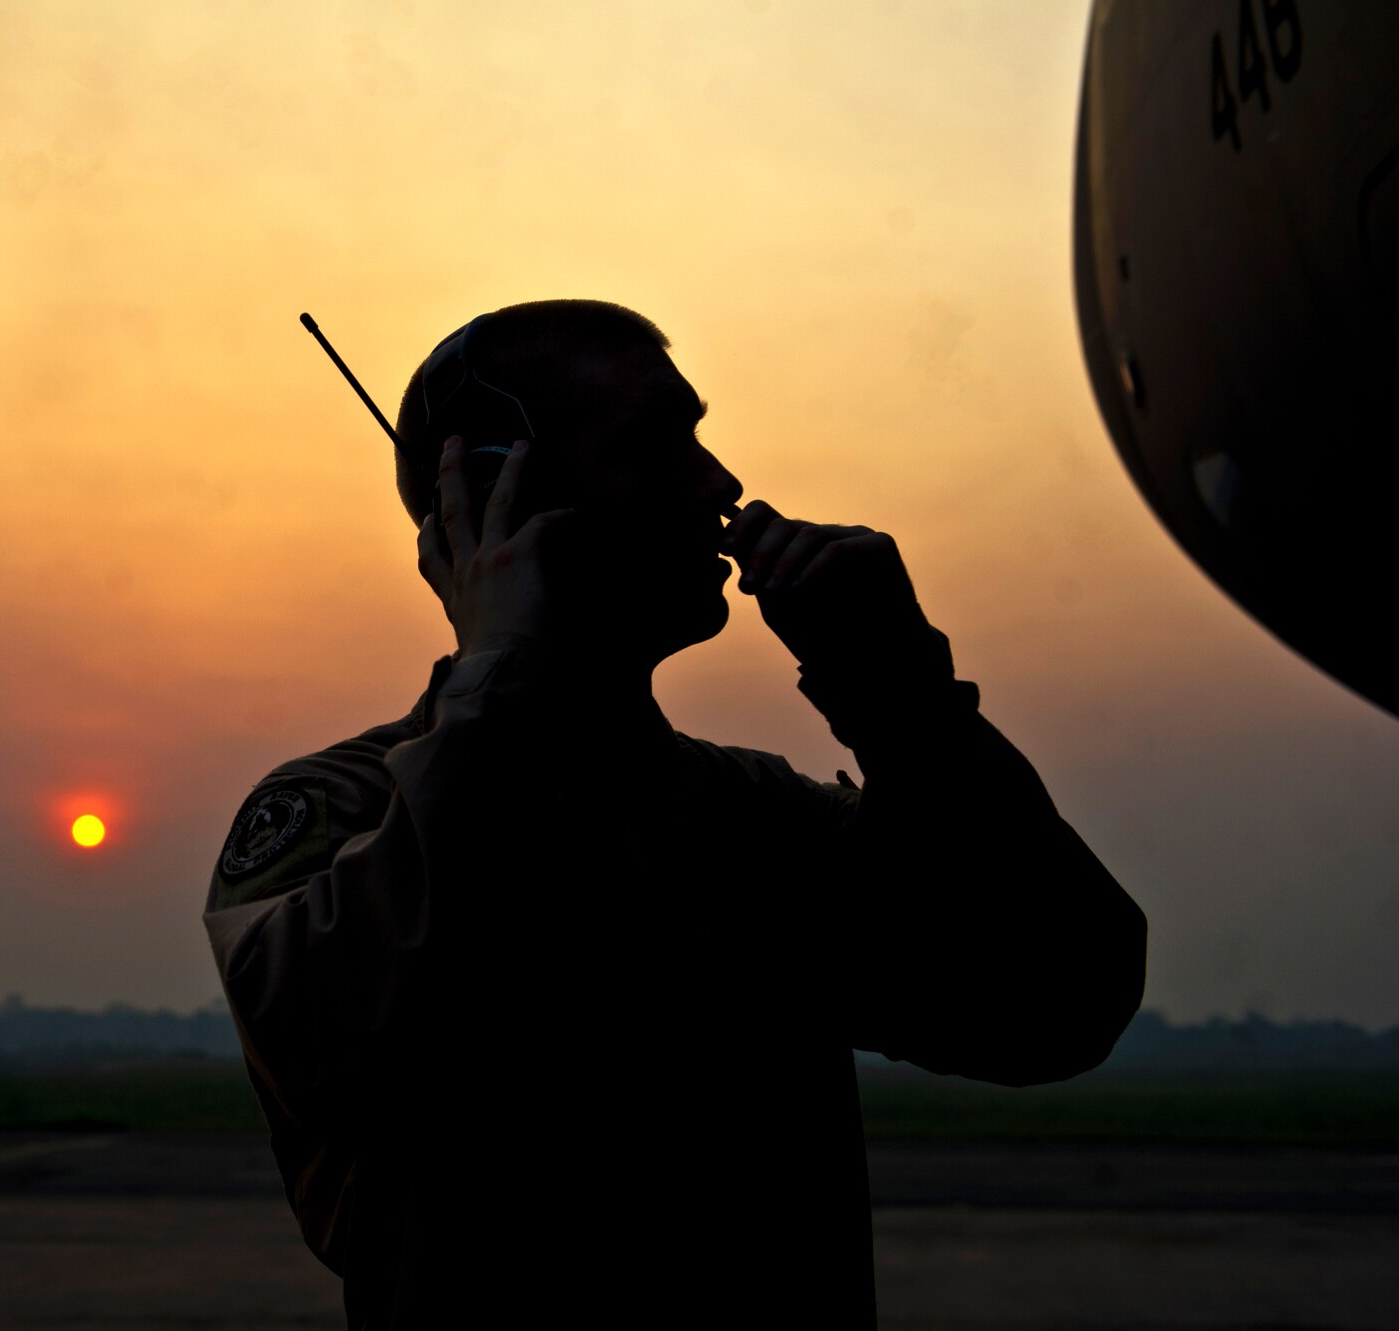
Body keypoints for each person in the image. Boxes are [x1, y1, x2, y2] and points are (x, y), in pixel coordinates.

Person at [202, 299, 1146, 1327]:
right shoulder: (345, 810)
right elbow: (339, 1036)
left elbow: (1056, 999)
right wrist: (504, 671)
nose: (719, 485)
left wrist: (904, 703)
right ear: (498, 500)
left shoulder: (761, 822)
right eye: (657, 444)